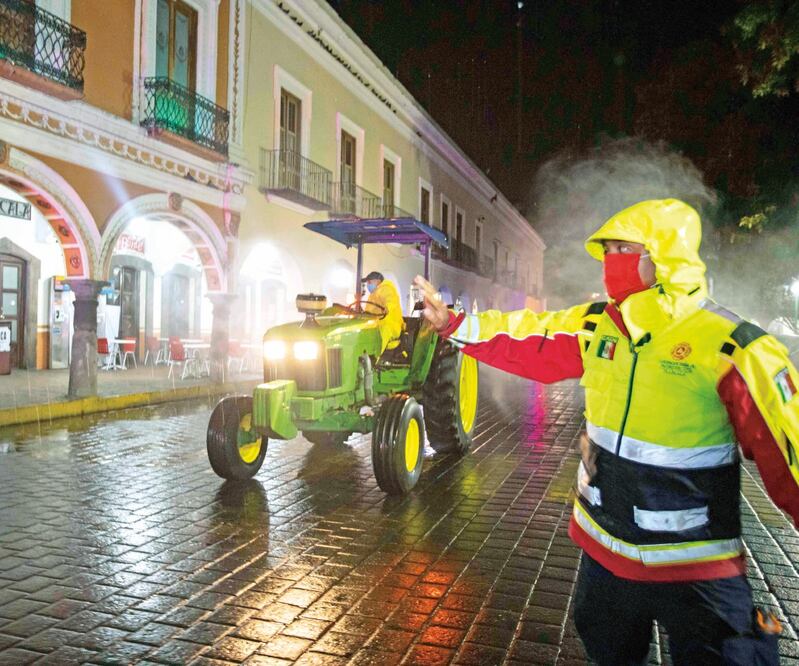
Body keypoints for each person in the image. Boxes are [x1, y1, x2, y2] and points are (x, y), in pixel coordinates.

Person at [414, 199, 795, 665]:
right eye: (608, 250)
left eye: (623, 248)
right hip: (604, 556)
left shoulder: (734, 345)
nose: (610, 261)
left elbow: (787, 455)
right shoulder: (598, 324)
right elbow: (529, 336)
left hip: (696, 569)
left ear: (664, 256)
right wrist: (453, 323)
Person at [362, 271, 403, 354]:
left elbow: (391, 300)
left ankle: (376, 359)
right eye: (367, 283)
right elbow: (369, 310)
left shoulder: (386, 288)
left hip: (390, 324)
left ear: (377, 281)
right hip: (378, 323)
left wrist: (387, 308)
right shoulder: (373, 294)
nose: (368, 285)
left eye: (369, 282)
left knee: (381, 334)